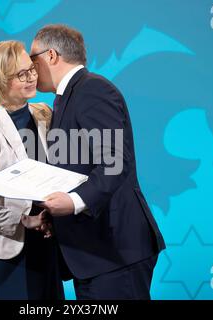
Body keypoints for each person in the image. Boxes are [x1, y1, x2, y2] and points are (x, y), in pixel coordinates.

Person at [30, 24, 166, 299]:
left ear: (52, 56)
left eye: (33, 59)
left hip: (115, 252)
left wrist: (73, 202)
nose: (30, 69)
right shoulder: (67, 98)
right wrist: (54, 216)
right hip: (92, 256)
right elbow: (75, 169)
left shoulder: (93, 90)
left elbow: (114, 163)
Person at [0, 40, 63, 300]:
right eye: (21, 74)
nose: (31, 78)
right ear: (1, 81)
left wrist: (51, 216)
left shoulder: (44, 114)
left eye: (31, 70)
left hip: (47, 248)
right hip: (6, 258)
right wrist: (23, 220)